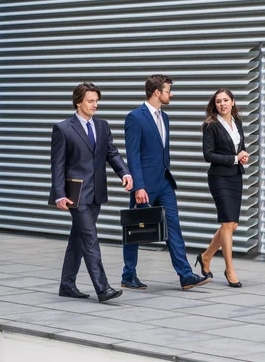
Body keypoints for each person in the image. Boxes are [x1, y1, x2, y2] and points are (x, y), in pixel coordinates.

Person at [122, 74, 210, 290]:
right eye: (168, 90)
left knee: (173, 227)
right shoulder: (135, 117)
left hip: (165, 182)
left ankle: (186, 275)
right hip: (145, 185)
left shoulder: (165, 117)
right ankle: (128, 275)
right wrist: (138, 186)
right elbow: (133, 154)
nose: (171, 94)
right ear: (156, 92)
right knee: (136, 228)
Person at [49, 82, 133, 303]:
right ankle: (102, 288)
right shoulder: (63, 128)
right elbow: (57, 165)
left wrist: (124, 173)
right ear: (78, 102)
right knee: (90, 238)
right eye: (90, 101)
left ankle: (67, 284)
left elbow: (112, 154)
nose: (95, 105)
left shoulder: (103, 126)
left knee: (78, 238)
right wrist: (59, 194)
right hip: (75, 194)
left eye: (97, 101)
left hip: (96, 192)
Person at [196, 88, 248, 288]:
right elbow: (208, 155)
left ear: (233, 102)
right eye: (218, 102)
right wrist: (234, 158)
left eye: (226, 100)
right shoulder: (211, 125)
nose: (222, 104)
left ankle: (206, 256)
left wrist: (242, 154)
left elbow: (238, 147)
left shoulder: (237, 123)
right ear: (215, 105)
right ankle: (229, 269)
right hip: (219, 178)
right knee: (227, 224)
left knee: (232, 225)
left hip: (235, 176)